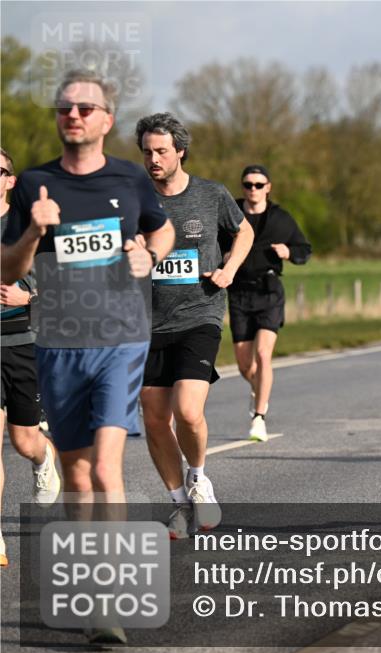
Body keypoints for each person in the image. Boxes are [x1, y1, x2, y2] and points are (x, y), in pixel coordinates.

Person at [0, 71, 174, 643]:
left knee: (104, 469)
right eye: (65, 107)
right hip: (57, 344)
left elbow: (163, 231)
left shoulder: (129, 178)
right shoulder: (34, 184)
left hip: (120, 339)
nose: (73, 115)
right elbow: (8, 269)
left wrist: (149, 254)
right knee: (76, 475)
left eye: (85, 107)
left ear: (106, 119)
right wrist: (33, 233)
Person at [135, 113, 253, 538]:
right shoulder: (134, 201)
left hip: (199, 314)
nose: (154, 159)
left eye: (162, 151)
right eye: (147, 152)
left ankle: (199, 478)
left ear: (180, 151)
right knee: (154, 419)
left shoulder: (210, 194)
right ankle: (179, 504)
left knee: (187, 410)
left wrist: (229, 269)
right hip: (146, 322)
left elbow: (244, 232)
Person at [0, 148, 62, 568]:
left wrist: (29, 297)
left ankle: (43, 457)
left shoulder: (30, 225)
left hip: (25, 340)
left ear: (11, 180)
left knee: (24, 441)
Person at [221, 164, 312, 442]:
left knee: (263, 354)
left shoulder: (280, 218)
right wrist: (223, 258)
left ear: (268, 187)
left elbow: (304, 249)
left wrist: (289, 252)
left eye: (259, 185)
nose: (253, 189)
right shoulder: (231, 214)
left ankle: (258, 418)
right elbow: (213, 245)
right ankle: (259, 388)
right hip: (239, 293)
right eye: (248, 184)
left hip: (269, 291)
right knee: (244, 365)